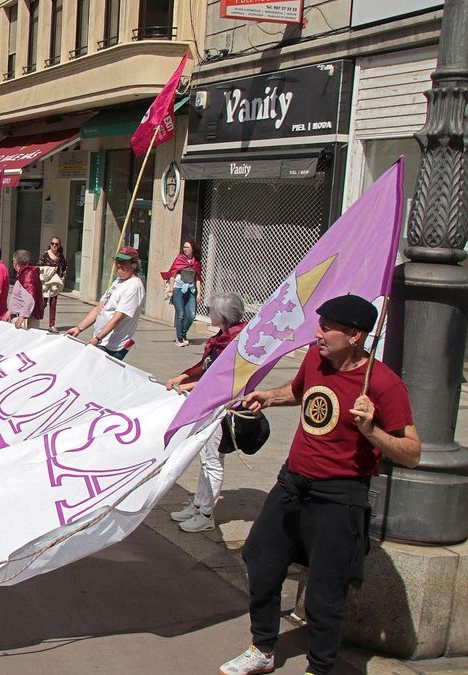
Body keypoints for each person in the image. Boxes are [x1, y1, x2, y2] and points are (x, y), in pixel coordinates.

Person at [219, 295, 421, 675]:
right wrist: (269, 397)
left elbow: (412, 452)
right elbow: (300, 393)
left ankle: (320, 667)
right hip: (291, 483)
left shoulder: (383, 384)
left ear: (356, 335)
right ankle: (262, 648)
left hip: (339, 496)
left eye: (327, 327)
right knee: (259, 561)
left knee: (327, 592)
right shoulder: (316, 358)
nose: (318, 334)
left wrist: (371, 430)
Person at [165, 292, 248, 534]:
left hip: (221, 406)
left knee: (212, 460)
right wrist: (183, 377)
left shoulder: (236, 342)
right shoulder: (222, 338)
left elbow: (223, 379)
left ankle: (205, 514)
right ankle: (198, 503)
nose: (208, 312)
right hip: (207, 403)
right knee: (205, 457)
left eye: (211, 309)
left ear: (222, 315)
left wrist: (188, 385)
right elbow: (205, 367)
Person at [66, 246, 145, 361]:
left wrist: (98, 338)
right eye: (117, 260)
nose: (118, 264)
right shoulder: (119, 281)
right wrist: (79, 328)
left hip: (112, 346)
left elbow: (118, 317)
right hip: (102, 341)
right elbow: (99, 307)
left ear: (134, 265)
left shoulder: (134, 286)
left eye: (123, 261)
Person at [162, 240, 204, 346]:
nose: (185, 249)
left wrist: (199, 293)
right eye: (184, 247)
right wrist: (171, 289)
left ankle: (183, 333)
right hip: (178, 289)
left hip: (190, 290)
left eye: (187, 247)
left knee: (191, 315)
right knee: (180, 314)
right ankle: (179, 338)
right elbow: (172, 274)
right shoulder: (180, 259)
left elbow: (198, 278)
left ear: (192, 249)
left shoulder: (196, 262)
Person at [9, 249, 45, 329]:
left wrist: (22, 317)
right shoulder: (25, 274)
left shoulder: (27, 276)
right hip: (21, 318)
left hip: (24, 321)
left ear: (15, 262)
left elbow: (30, 299)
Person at [38, 238, 69, 331]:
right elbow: (39, 267)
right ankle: (34, 317)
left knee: (53, 303)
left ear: (59, 246)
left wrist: (62, 277)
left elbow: (64, 267)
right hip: (45, 282)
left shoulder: (60, 256)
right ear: (50, 244)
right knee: (43, 303)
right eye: (52, 244)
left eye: (56, 244)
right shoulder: (45, 254)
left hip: (54, 283)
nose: (54, 246)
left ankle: (52, 324)